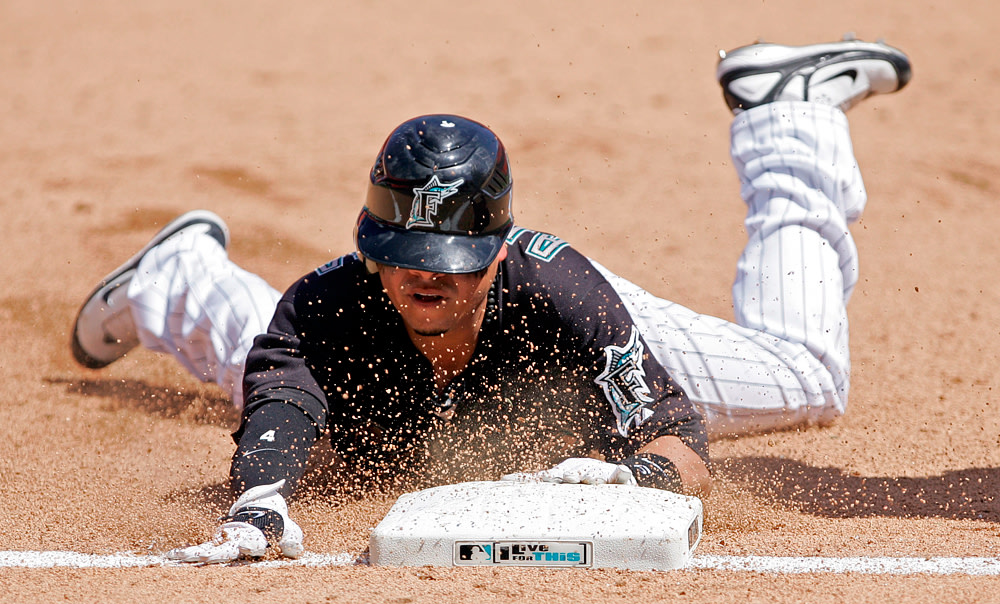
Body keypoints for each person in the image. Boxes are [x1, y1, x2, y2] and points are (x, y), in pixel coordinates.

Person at [70, 36, 911, 563]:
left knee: (806, 380)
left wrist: (637, 474)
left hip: (575, 325)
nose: (425, 276)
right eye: (403, 256)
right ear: (372, 245)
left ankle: (785, 117)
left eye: (450, 260)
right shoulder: (334, 304)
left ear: (498, 250)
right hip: (359, 355)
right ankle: (175, 272)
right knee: (261, 358)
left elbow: (678, 434)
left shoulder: (561, 297)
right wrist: (260, 498)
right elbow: (281, 396)